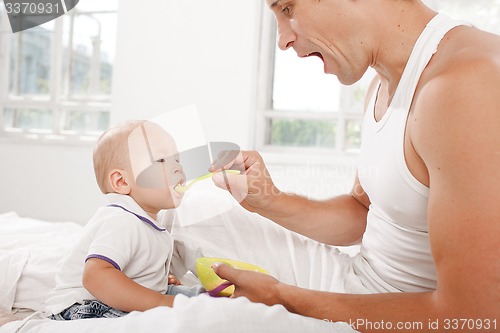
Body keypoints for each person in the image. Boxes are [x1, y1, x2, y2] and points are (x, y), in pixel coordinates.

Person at [209, 0, 500, 331]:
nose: (283, 41)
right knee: (193, 216)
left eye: (288, 9)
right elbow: (362, 212)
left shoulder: (467, 86)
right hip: (357, 281)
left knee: (191, 322)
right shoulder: (383, 82)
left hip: (396, 316)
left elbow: (476, 317)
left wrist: (283, 299)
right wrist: (267, 199)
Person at [45, 120, 204, 320]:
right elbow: (95, 277)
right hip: (83, 306)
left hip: (109, 300)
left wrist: (156, 281)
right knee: (162, 317)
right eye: (161, 160)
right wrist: (162, 302)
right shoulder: (122, 220)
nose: (177, 168)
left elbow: (134, 269)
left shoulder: (150, 224)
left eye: (177, 160)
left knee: (199, 299)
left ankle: (222, 305)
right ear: (122, 181)